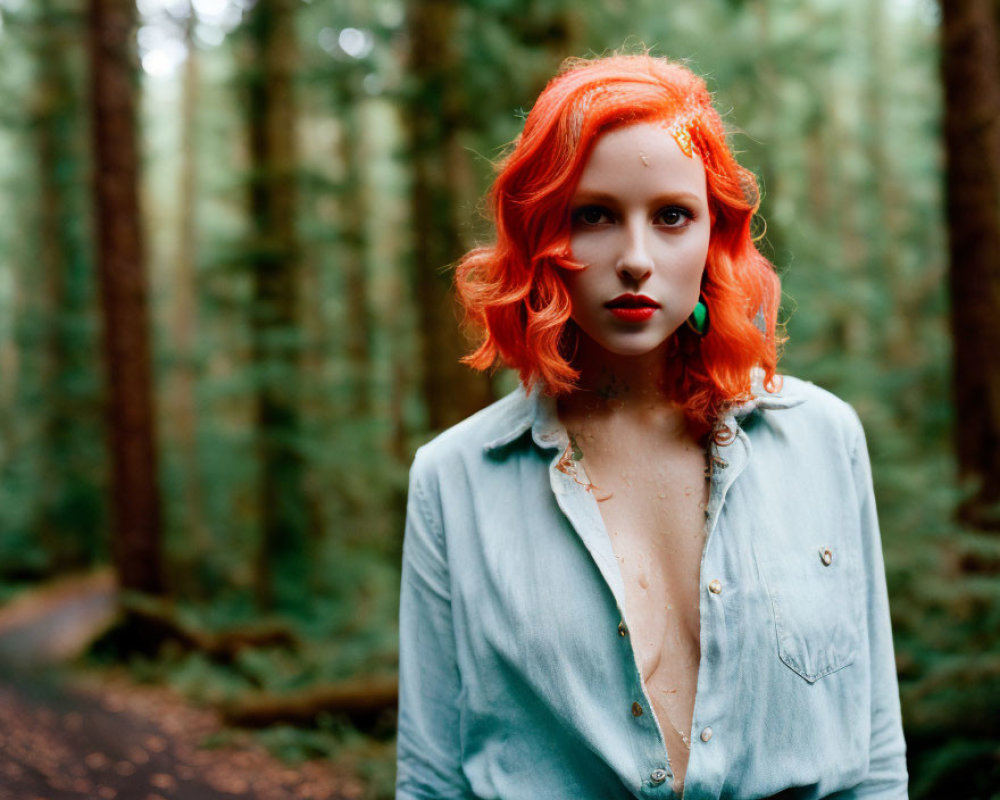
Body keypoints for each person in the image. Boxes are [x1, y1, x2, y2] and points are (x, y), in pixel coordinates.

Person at [396, 54, 908, 799]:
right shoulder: (454, 479)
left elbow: (875, 758)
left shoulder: (824, 438)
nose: (636, 259)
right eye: (594, 215)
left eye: (672, 216)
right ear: (542, 235)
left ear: (715, 235)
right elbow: (433, 779)